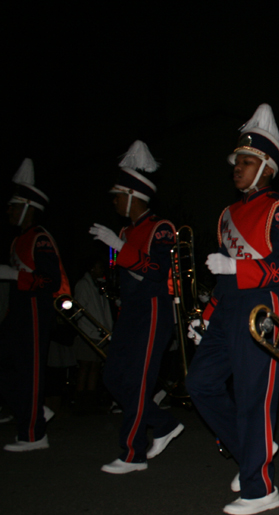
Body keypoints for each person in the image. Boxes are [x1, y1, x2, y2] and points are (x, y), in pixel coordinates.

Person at [185, 103, 279, 515]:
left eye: (245, 161)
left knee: (252, 398)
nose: (237, 168)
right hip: (228, 309)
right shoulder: (227, 214)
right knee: (199, 383)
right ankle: (252, 450)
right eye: (237, 161)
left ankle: (260, 489)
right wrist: (206, 319)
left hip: (262, 306)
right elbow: (223, 277)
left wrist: (237, 267)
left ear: (266, 168)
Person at [89, 140, 184, 474]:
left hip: (154, 311)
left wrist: (119, 248)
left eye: (118, 194)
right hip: (129, 311)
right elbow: (123, 268)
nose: (114, 201)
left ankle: (133, 454)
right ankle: (163, 422)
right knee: (114, 377)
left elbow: (158, 271)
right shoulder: (126, 230)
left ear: (132, 195)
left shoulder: (161, 228)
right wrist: (116, 253)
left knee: (139, 380)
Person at [0, 159, 68, 451]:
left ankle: (34, 434)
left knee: (30, 372)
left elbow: (49, 280)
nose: (9, 211)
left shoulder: (40, 238)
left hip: (34, 313)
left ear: (28, 207)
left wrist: (15, 275)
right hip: (16, 313)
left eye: (14, 206)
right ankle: (34, 413)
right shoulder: (18, 240)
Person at [72, 255, 114, 412]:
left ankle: (90, 400)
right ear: (91, 268)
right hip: (88, 332)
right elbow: (79, 309)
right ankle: (80, 400)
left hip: (100, 332)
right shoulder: (83, 285)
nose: (101, 270)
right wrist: (88, 328)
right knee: (85, 366)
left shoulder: (99, 286)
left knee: (95, 366)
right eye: (99, 267)